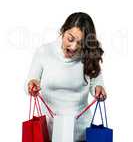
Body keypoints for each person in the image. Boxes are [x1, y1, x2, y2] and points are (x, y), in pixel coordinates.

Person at [24, 12, 107, 141]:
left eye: (80, 43)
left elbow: (96, 84)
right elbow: (30, 81)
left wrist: (99, 89)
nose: (73, 47)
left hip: (80, 134)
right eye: (70, 39)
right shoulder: (44, 52)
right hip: (47, 133)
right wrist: (32, 84)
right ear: (63, 30)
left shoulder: (88, 56)